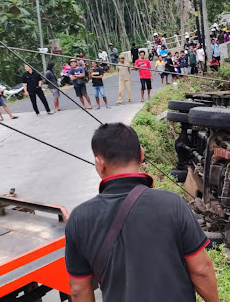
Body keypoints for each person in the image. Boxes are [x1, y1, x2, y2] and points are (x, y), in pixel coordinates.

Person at [64, 123, 220, 302]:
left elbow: (78, 290)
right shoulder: (172, 204)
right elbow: (201, 271)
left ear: (99, 163)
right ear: (141, 154)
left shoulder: (79, 219)